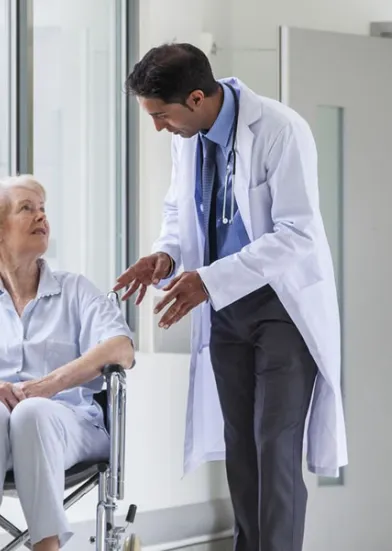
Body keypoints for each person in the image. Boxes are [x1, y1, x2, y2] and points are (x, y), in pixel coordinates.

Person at [116, 43, 344, 550]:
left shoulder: (281, 131)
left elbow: (296, 234)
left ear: (197, 98)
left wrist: (210, 281)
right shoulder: (187, 137)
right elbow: (179, 214)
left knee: (274, 447)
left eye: (161, 115)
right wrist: (167, 257)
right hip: (223, 312)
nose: (158, 127)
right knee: (240, 450)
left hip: (282, 310)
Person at [0, 175, 134, 551]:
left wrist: (49, 385)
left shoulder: (74, 290)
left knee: (31, 413)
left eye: (43, 209)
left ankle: (47, 547)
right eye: (26, 209)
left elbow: (121, 348)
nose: (41, 217)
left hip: (70, 425)